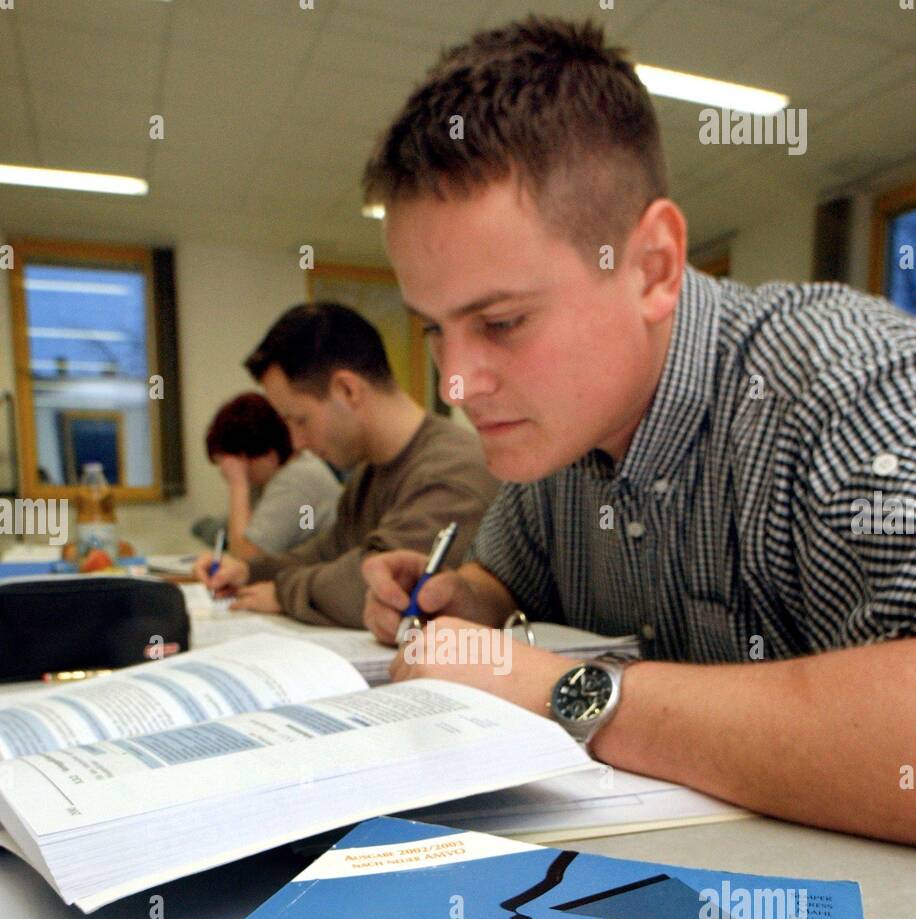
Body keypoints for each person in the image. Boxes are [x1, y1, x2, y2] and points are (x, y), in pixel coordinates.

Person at [359, 16, 916, 845]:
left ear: (651, 267)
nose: (456, 383)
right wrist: (462, 601)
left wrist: (563, 691)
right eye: (436, 328)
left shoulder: (848, 382)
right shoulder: (551, 436)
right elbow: (512, 585)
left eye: (504, 322)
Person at [195, 302, 497, 627]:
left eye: (300, 420)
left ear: (347, 390)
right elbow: (327, 552)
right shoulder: (370, 472)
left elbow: (376, 586)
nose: (297, 443)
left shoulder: (452, 471)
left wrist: (283, 592)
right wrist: (250, 571)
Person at [201, 392, 342, 561]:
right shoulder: (276, 477)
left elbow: (246, 560)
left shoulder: (297, 479)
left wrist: (238, 484)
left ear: (261, 455)